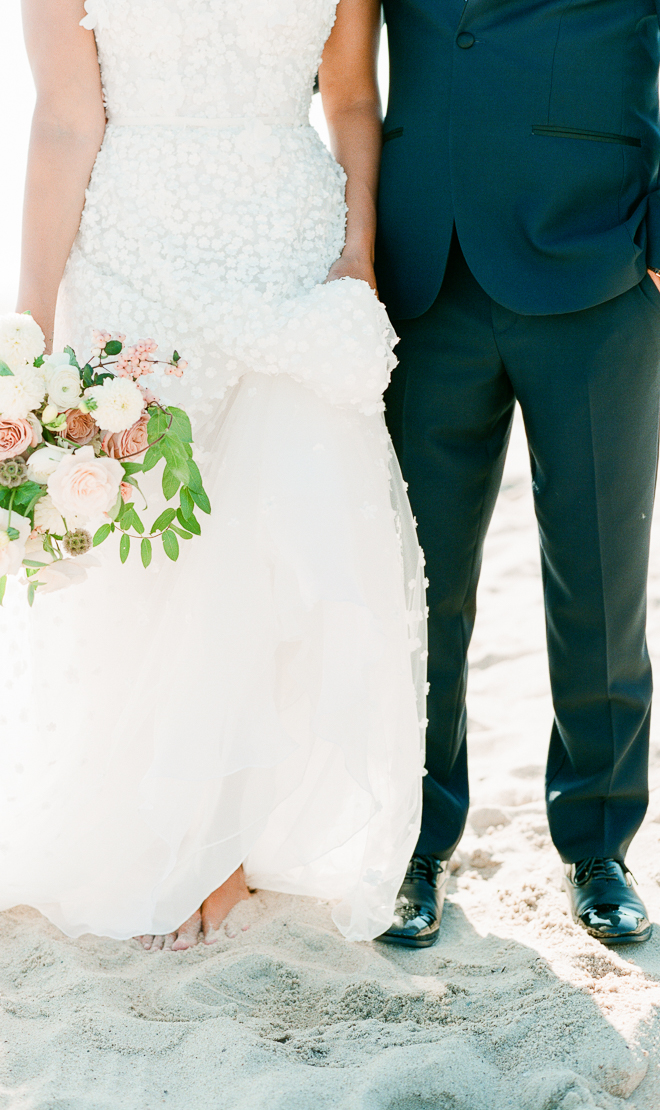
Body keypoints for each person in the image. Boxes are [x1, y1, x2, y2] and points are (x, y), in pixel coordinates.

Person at [0, 0, 427, 951]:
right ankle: (176, 835)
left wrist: (356, 254)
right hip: (134, 260)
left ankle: (231, 837)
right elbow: (67, 117)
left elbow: (353, 99)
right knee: (154, 556)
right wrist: (30, 318)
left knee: (280, 540)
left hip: (293, 256)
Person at [377, 0, 658, 948]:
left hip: (599, 254)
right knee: (416, 584)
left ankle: (600, 845)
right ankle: (411, 843)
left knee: (600, 575)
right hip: (417, 263)